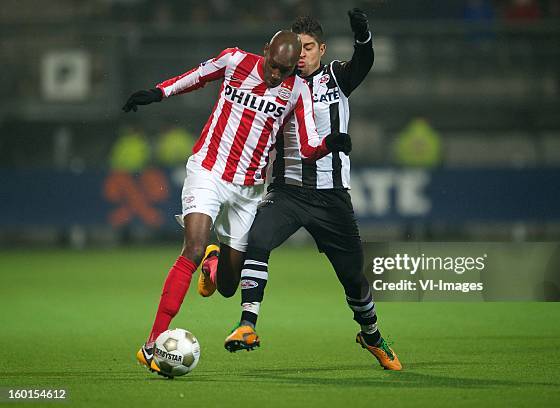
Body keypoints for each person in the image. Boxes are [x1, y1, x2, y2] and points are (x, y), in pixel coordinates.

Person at [122, 30, 352, 377]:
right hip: (209, 170)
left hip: (249, 190)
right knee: (193, 247)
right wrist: (158, 92)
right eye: (274, 66)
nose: (277, 75)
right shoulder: (235, 61)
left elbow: (307, 146)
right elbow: (196, 77)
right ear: (265, 52)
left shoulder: (298, 90)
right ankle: (152, 343)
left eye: (285, 70)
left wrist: (330, 144)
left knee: (229, 287)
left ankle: (214, 264)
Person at [218, 10, 402, 370]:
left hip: (332, 197)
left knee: (352, 276)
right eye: (296, 48)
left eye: (308, 48)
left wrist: (362, 35)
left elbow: (364, 61)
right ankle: (246, 324)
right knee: (259, 239)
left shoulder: (337, 77)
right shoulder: (280, 82)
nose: (300, 55)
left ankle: (371, 335)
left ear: (322, 49)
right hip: (288, 191)